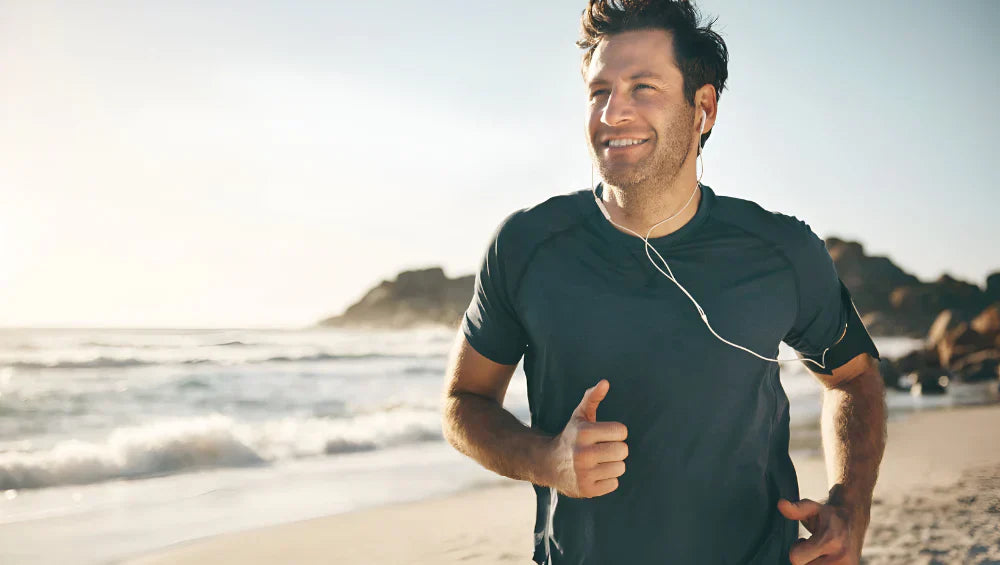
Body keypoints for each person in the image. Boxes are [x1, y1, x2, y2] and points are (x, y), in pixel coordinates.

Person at [441, 1, 886, 563]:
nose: (613, 113)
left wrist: (851, 506)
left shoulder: (781, 250)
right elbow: (464, 401)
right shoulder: (527, 245)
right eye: (599, 91)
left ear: (704, 109)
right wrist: (545, 460)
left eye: (642, 87)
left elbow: (853, 378)